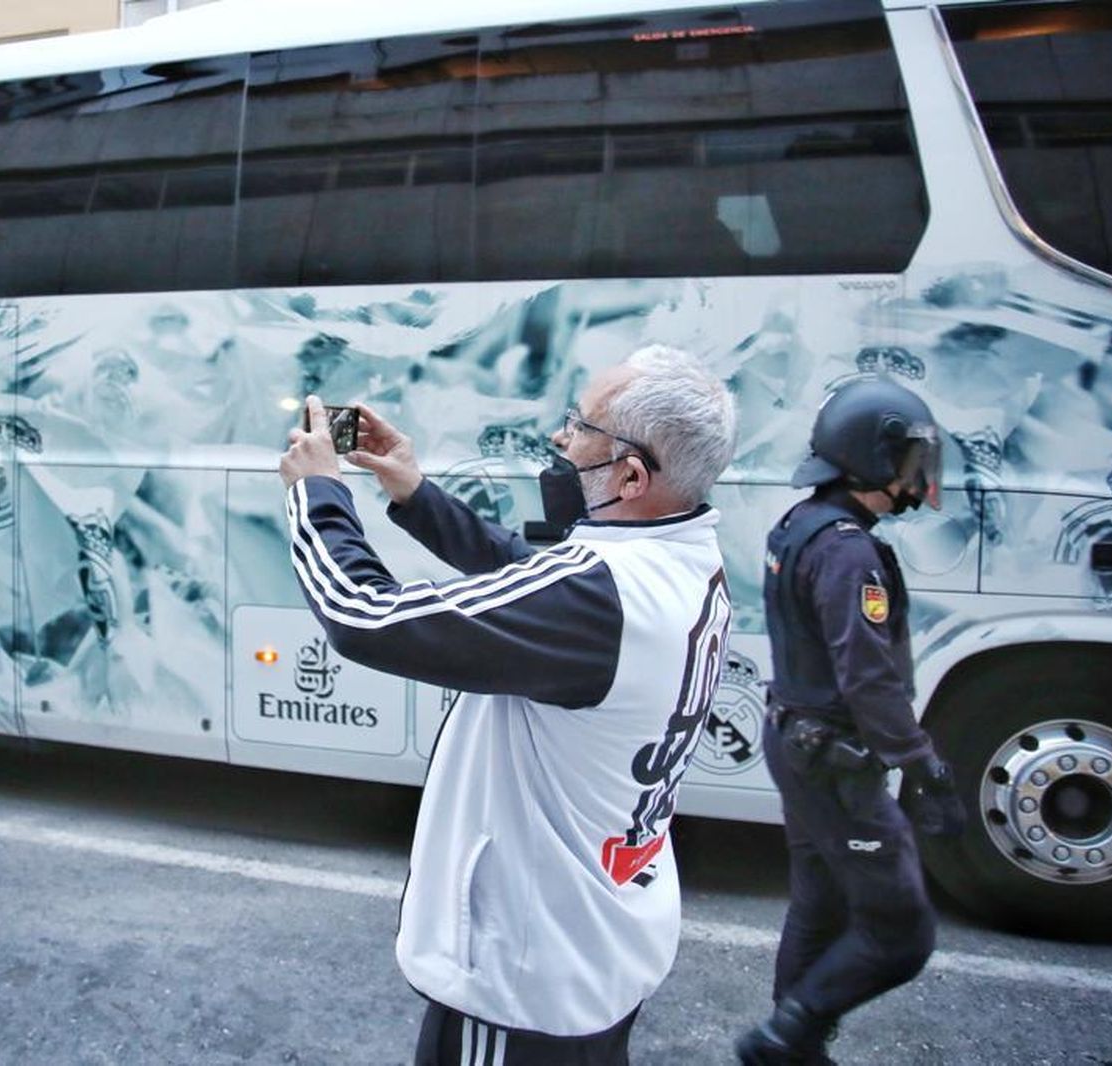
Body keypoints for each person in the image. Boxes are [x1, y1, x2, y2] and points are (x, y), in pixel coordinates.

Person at [280, 345, 738, 1065]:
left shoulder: (599, 592)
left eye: (581, 427)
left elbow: (360, 615)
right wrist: (413, 491)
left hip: (527, 978)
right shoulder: (683, 561)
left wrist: (316, 493)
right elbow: (536, 582)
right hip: (605, 945)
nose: (561, 440)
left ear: (631, 475)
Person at [735, 378, 965, 1064]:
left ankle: (793, 1047)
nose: (915, 476)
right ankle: (786, 1036)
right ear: (871, 459)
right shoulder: (846, 551)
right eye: (907, 459)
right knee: (901, 933)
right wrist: (922, 767)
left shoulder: (800, 525)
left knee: (821, 902)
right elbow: (866, 677)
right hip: (833, 758)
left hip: (799, 742)